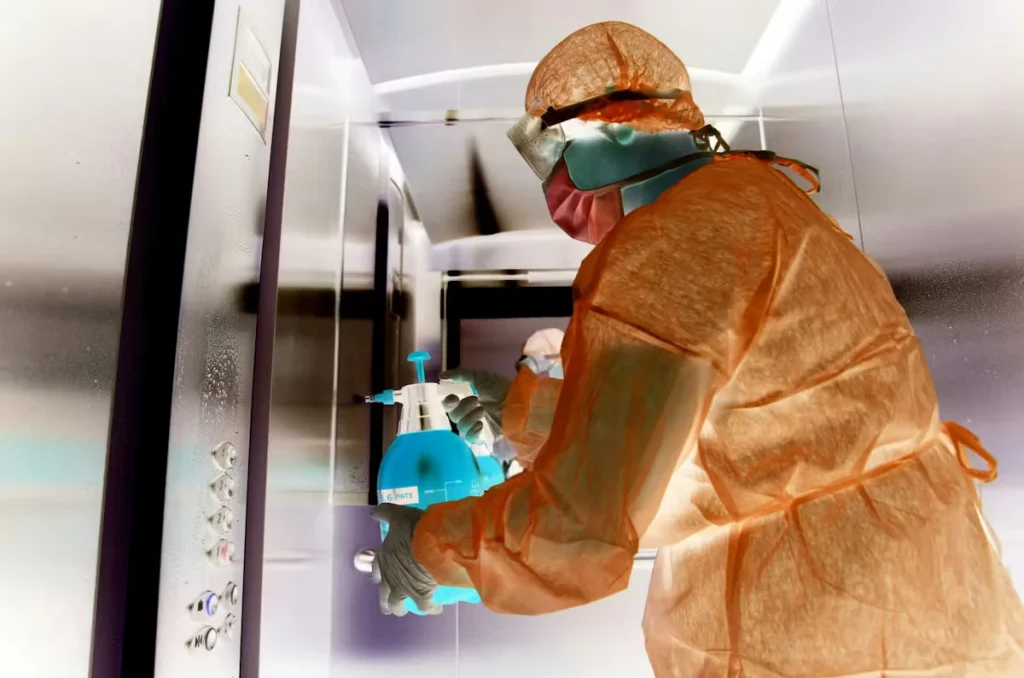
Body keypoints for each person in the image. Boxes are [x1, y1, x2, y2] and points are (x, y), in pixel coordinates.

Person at [370, 21, 1024, 676]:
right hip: (926, 611)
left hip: (814, 628)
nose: (555, 182)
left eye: (554, 148)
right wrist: (521, 410)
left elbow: (579, 527)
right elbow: (743, 433)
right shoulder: (763, 202)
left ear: (621, 125)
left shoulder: (668, 243)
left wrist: (427, 552)